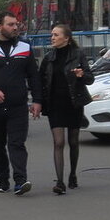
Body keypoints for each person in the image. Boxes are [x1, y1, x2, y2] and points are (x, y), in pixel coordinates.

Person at [0, 11, 42, 195]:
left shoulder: (25, 48)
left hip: (18, 105)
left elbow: (34, 76)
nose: (15, 28)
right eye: (11, 24)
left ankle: (20, 181)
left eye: (16, 24)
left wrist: (37, 100)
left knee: (17, 143)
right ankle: (3, 179)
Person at [38, 24, 94, 194]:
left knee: (73, 141)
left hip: (73, 103)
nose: (52, 38)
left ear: (66, 38)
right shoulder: (48, 57)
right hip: (55, 104)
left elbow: (90, 79)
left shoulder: (78, 55)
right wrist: (38, 102)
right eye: (52, 35)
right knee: (58, 142)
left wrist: (81, 75)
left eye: (56, 35)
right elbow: (41, 81)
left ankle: (73, 175)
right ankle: (60, 182)